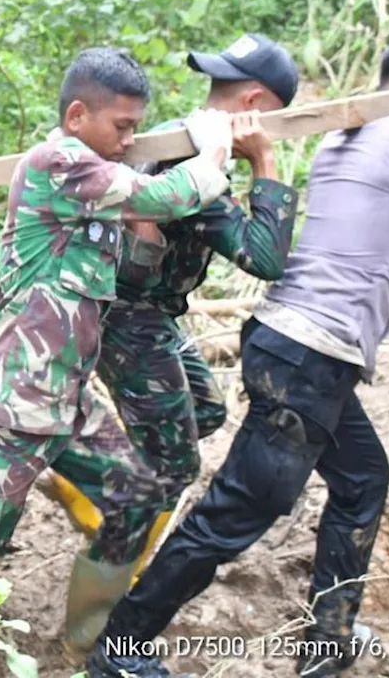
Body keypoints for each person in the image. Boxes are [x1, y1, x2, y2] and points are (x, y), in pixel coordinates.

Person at [85, 33, 389, 678]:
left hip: (293, 347)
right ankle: (119, 648)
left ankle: (328, 640)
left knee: (362, 482)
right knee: (234, 514)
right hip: (310, 358)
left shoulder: (344, 135)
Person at [0, 47, 238, 676]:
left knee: (136, 492)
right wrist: (214, 150)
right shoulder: (58, 163)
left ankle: (88, 635)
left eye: (136, 128)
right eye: (123, 127)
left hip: (66, 403)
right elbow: (165, 196)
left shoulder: (93, 191)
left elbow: (138, 258)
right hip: (10, 404)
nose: (129, 139)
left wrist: (147, 234)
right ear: (78, 115)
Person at [37, 34, 301, 593]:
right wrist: (267, 161)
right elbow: (265, 256)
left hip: (153, 313)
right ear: (254, 104)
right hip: (130, 320)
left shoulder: (188, 138)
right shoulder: (194, 154)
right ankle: (101, 599)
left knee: (205, 413)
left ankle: (95, 493)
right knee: (173, 471)